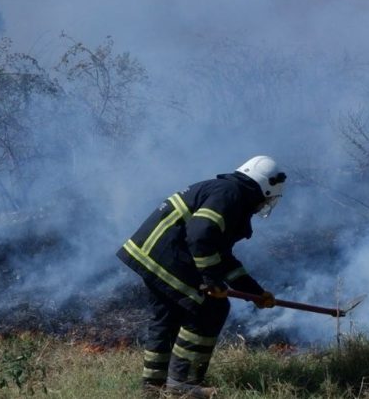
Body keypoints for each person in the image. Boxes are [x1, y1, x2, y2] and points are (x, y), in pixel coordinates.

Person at [116, 155, 286, 398]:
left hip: (151, 253)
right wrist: (210, 280)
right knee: (211, 307)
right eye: (267, 199)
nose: (263, 206)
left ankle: (153, 388)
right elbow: (199, 235)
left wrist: (255, 293)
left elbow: (222, 256)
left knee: (166, 318)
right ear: (264, 186)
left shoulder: (228, 193)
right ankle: (183, 383)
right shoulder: (231, 195)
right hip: (169, 256)